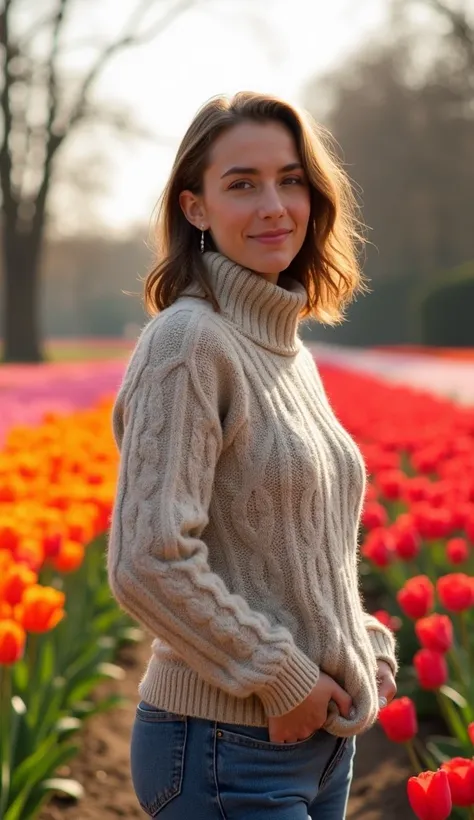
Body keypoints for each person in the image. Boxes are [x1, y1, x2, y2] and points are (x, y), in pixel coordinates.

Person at [107, 91, 398, 820]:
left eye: (291, 179)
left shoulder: (284, 343)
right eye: (243, 184)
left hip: (319, 742)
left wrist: (365, 641)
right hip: (224, 746)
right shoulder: (188, 343)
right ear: (195, 207)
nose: (274, 204)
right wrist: (281, 674)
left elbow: (292, 546)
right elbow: (147, 558)